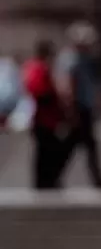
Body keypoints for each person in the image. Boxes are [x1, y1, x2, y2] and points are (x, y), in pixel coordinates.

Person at [57, 21, 101, 188]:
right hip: (78, 108)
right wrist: (71, 110)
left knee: (79, 145)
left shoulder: (83, 59)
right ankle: (97, 179)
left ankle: (97, 178)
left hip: (84, 107)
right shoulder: (71, 59)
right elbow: (67, 85)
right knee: (77, 145)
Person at [20, 40, 66, 190]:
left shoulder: (39, 67)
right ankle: (44, 183)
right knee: (46, 152)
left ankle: (48, 181)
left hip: (48, 119)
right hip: (43, 119)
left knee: (48, 151)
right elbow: (37, 90)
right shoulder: (38, 68)